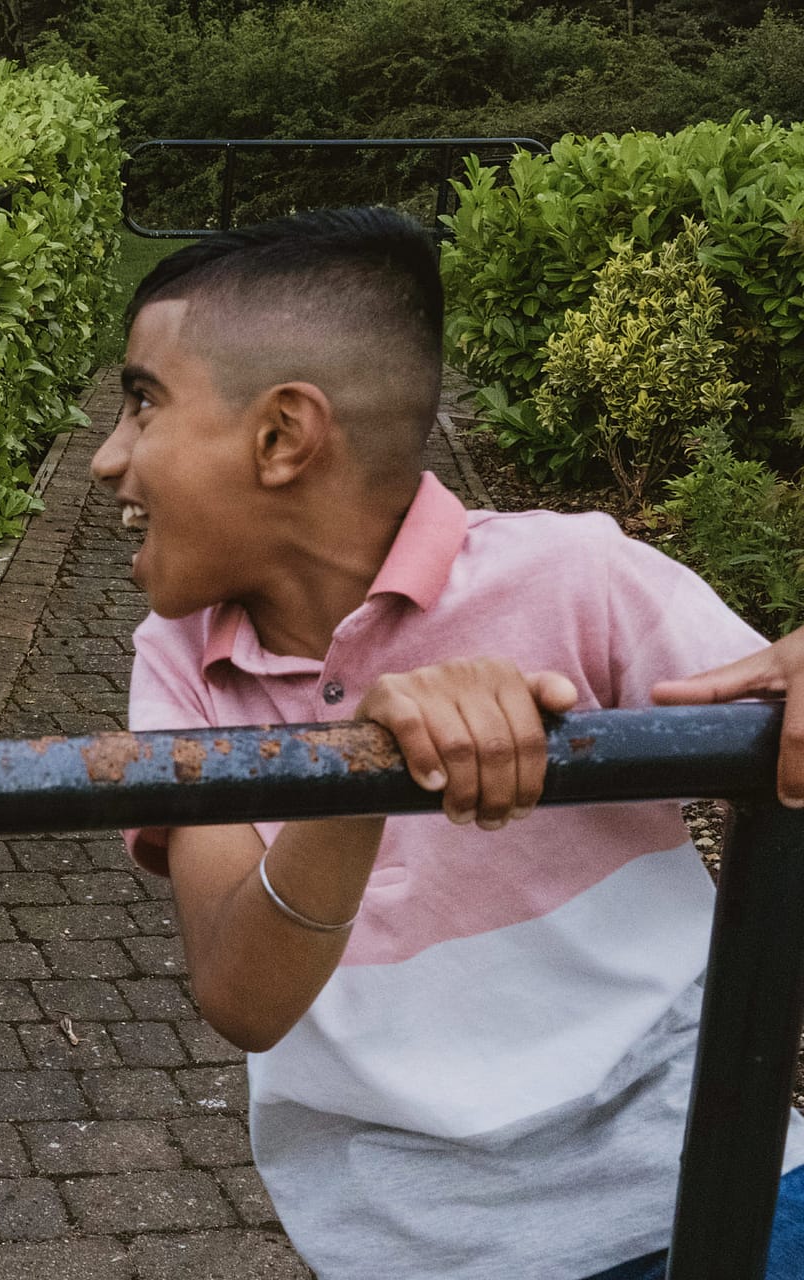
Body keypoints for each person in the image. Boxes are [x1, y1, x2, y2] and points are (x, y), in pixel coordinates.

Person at [92, 205, 804, 1279]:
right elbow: (244, 995)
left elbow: (775, 725)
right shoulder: (181, 659)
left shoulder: (577, 577)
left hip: (719, 1196)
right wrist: (362, 768)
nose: (108, 459)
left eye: (142, 404)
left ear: (283, 435)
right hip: (417, 1252)